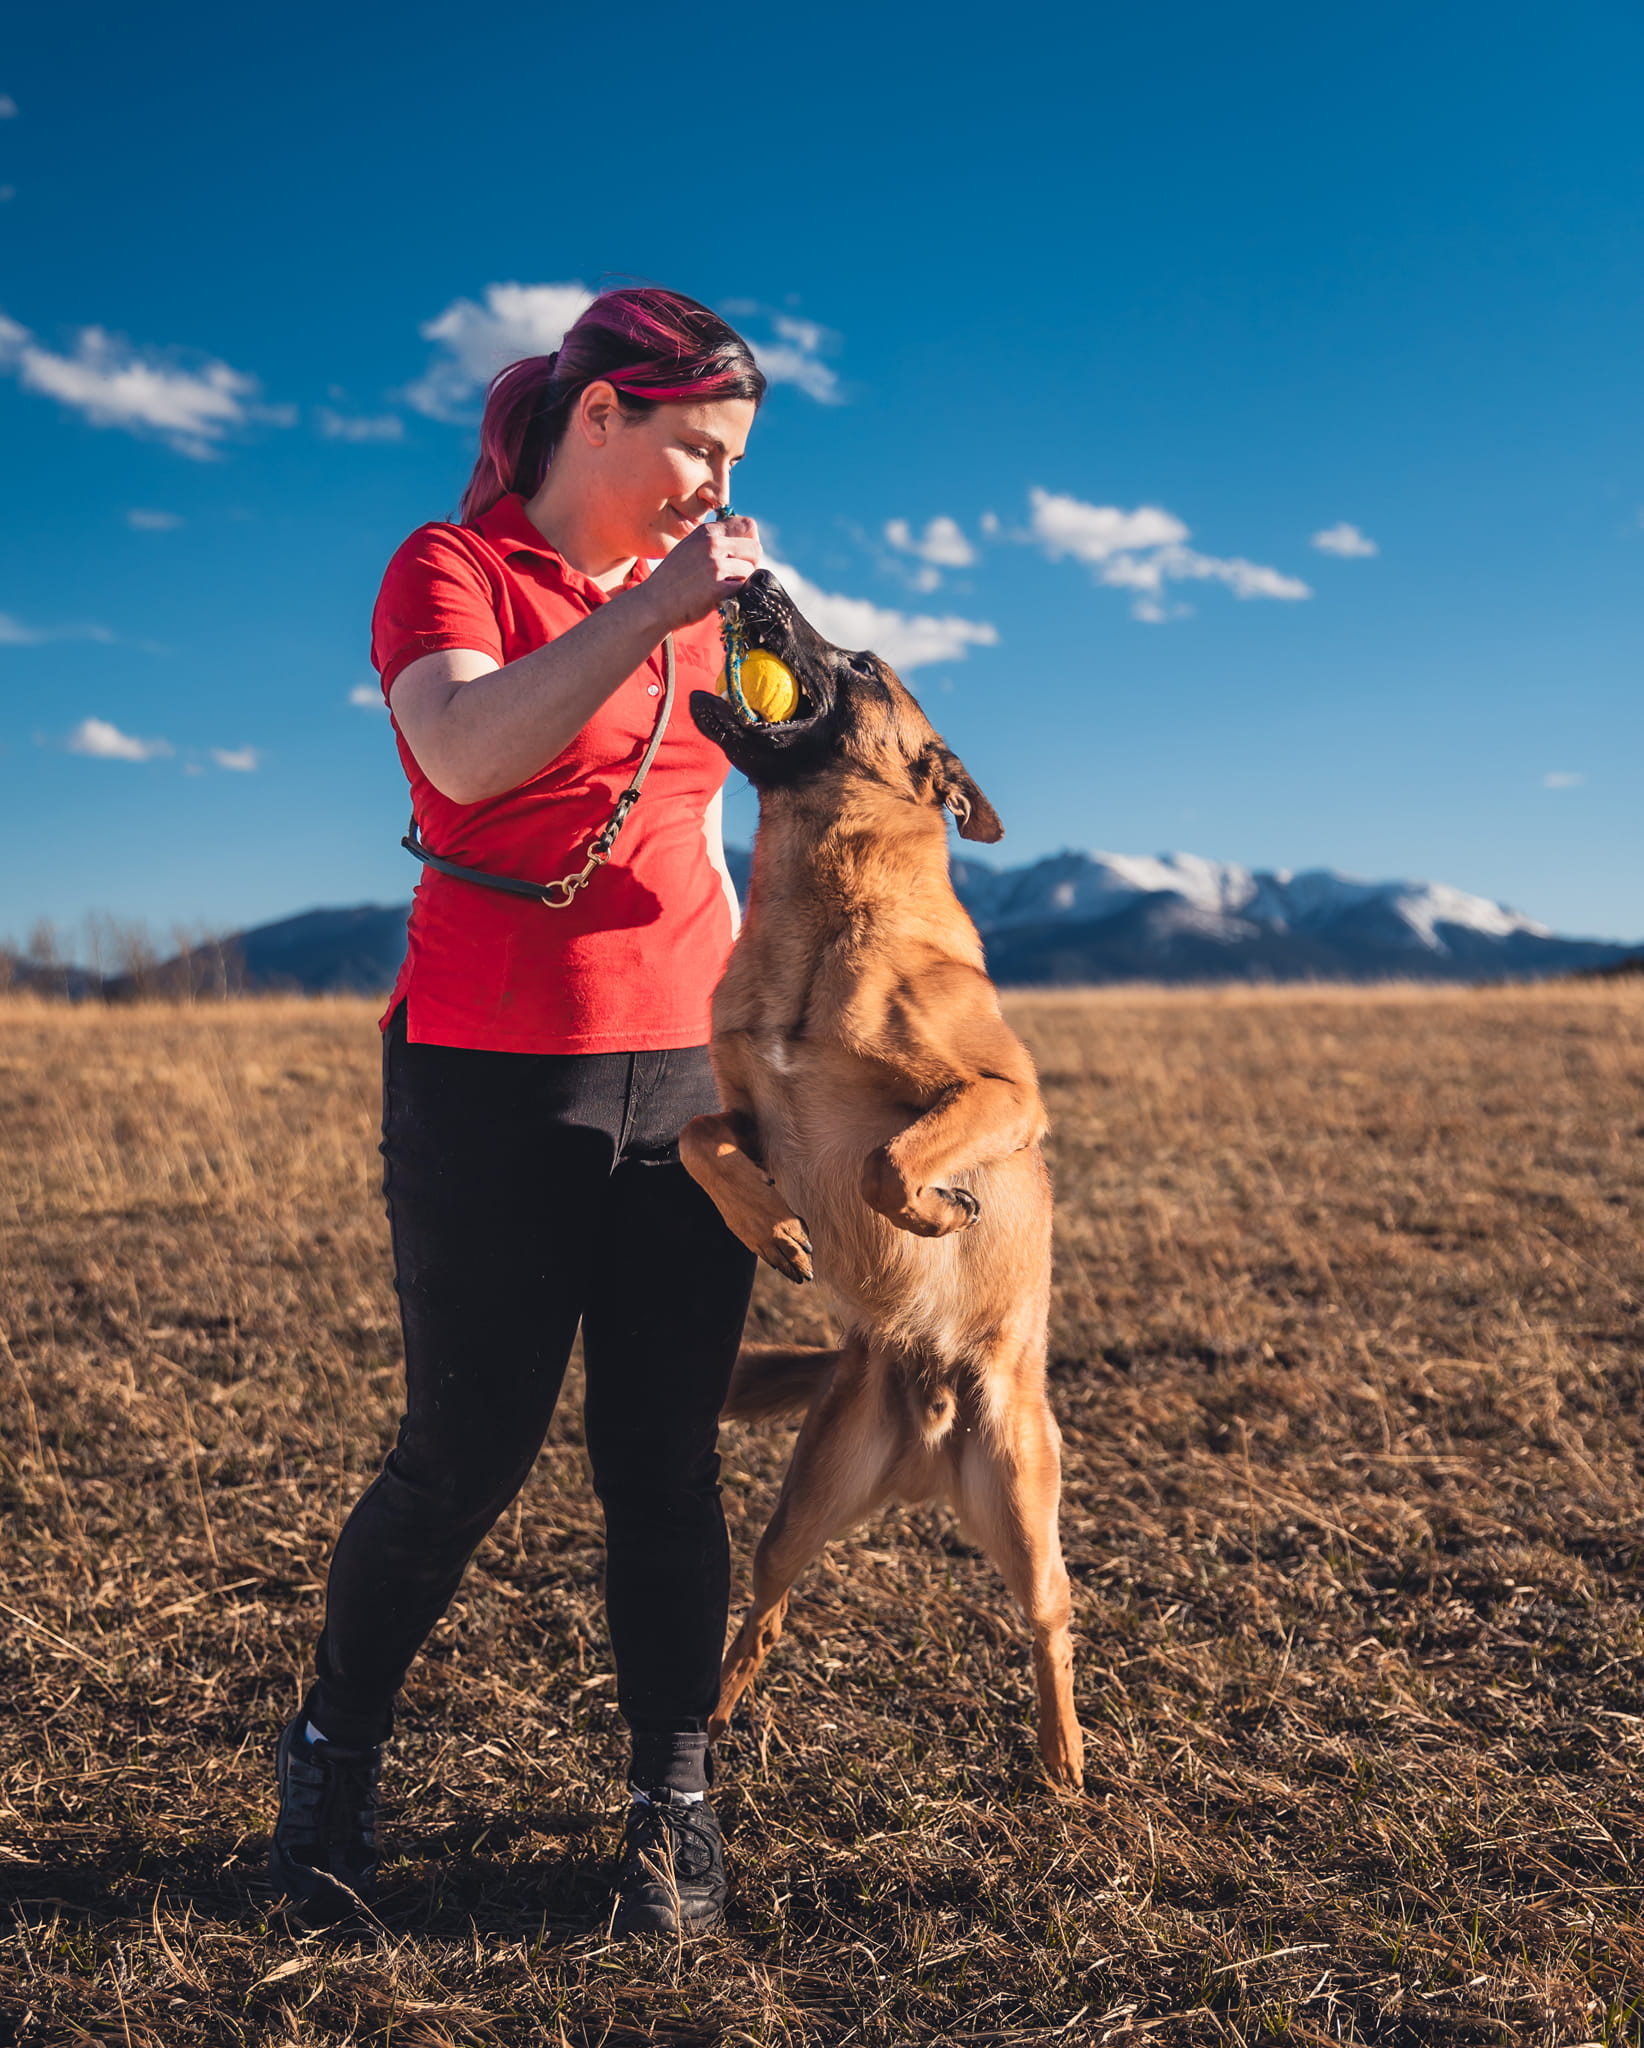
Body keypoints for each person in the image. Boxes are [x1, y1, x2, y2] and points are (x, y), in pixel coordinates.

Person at [268, 287, 768, 1936]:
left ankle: (672, 1810)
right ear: (602, 416)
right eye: (693, 447)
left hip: (688, 1078)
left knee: (662, 1462)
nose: (712, 483)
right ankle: (336, 1748)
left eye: (733, 460)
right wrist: (652, 613)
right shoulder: (450, 568)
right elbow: (469, 757)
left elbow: (764, 807)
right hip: (490, 1075)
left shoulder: (712, 598)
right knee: (462, 1455)